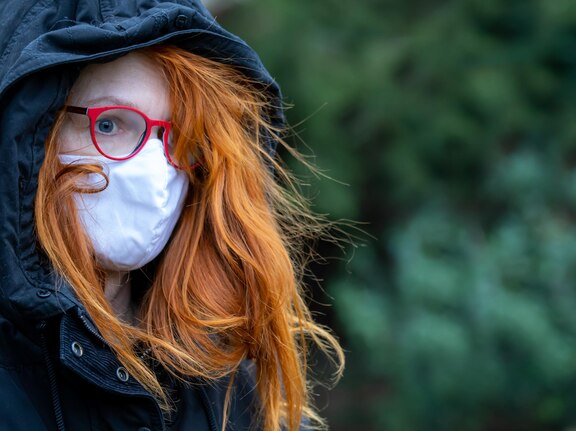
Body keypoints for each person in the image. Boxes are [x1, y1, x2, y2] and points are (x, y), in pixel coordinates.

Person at [0, 1, 343, 430]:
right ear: (32, 134)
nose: (154, 168)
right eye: (109, 124)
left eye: (180, 137)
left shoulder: (225, 374)